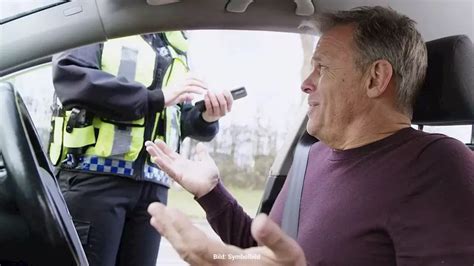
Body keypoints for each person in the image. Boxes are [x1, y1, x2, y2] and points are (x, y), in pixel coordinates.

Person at [145, 7, 474, 266]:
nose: (306, 83)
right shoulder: (312, 156)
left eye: (323, 67)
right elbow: (267, 254)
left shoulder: (439, 167)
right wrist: (211, 193)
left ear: (376, 78)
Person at [49, 31, 233, 265]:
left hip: (153, 189)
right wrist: (156, 97)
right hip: (94, 181)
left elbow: (174, 117)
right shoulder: (99, 22)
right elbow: (71, 77)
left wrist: (205, 117)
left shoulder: (174, 43)